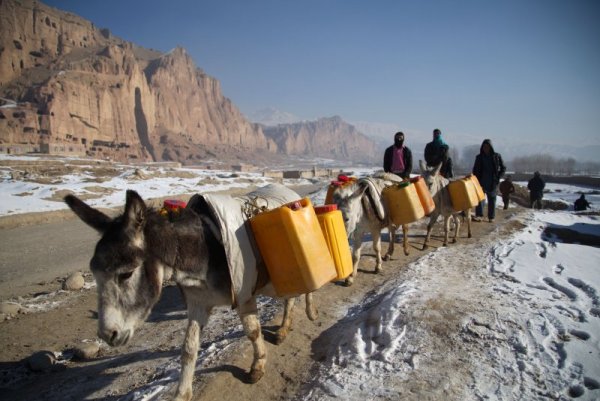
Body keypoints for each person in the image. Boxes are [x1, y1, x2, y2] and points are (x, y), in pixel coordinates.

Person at [472, 139, 506, 222]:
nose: (485, 148)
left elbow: (503, 167)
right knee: (480, 198)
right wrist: (475, 178)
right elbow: (475, 169)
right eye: (484, 147)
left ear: (491, 147)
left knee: (492, 199)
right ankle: (479, 215)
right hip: (481, 181)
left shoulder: (496, 156)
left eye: (487, 147)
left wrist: (498, 177)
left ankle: (491, 217)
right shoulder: (479, 157)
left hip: (492, 181)